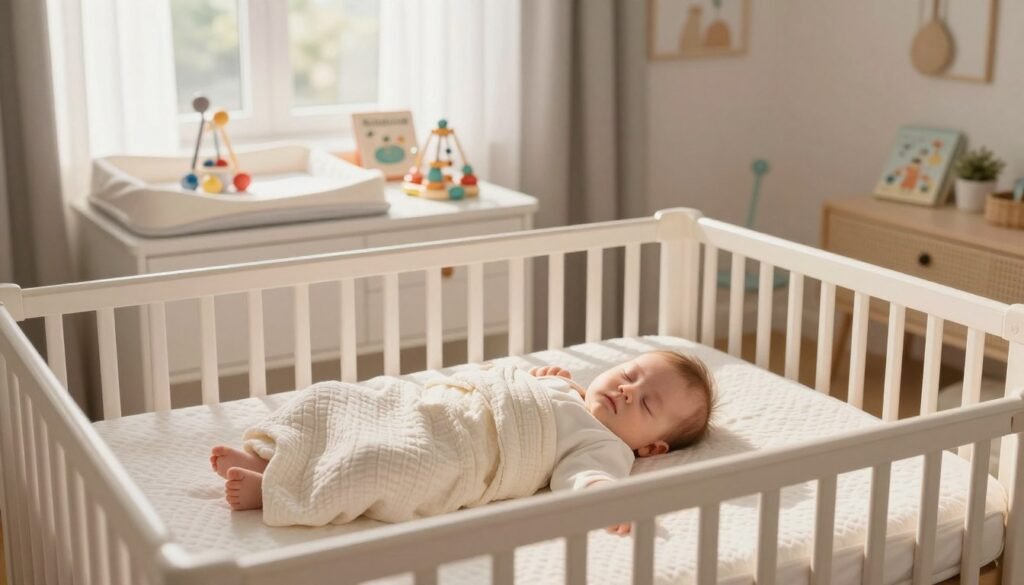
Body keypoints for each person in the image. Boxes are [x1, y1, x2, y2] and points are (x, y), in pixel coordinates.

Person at [209, 350, 715, 534]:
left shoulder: (605, 447)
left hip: (463, 455)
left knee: (379, 462)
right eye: (628, 374)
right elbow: (507, 383)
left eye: (646, 404)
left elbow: (579, 479)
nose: (627, 391)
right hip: (437, 408)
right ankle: (271, 450)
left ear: (651, 449)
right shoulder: (569, 388)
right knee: (336, 398)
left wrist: (601, 494)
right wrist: (540, 379)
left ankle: (271, 491)